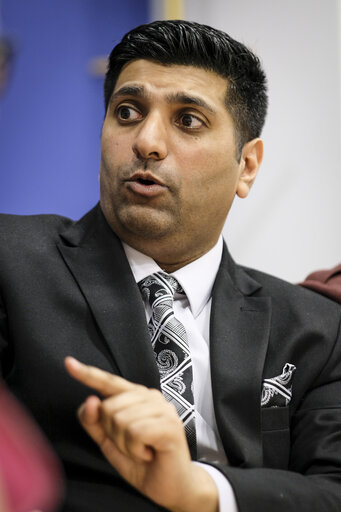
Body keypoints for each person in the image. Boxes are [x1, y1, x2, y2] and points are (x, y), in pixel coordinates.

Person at [0, 19, 340, 512]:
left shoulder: (315, 328)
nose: (147, 141)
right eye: (128, 112)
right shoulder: (13, 261)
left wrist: (201, 491)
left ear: (246, 166)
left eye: (187, 121)